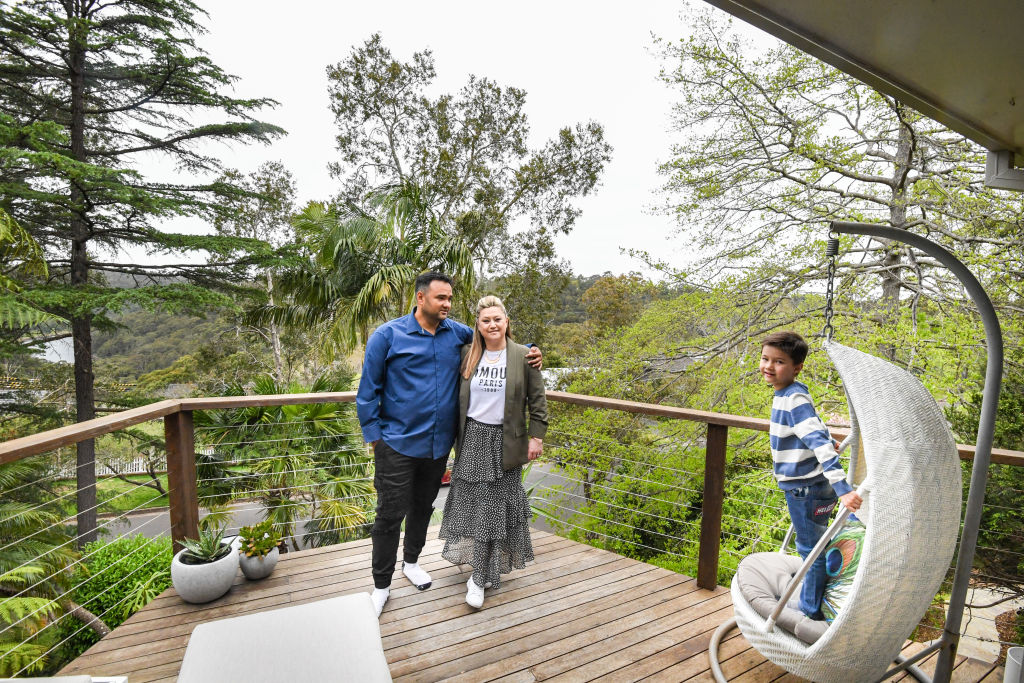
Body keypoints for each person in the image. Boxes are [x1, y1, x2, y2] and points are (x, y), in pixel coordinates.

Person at [356, 274, 541, 617]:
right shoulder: (388, 336)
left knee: (424, 507)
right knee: (389, 515)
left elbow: (495, 335)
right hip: (395, 444)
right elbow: (368, 392)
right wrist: (375, 439)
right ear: (420, 298)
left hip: (438, 446)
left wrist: (530, 350)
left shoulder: (455, 332)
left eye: (450, 299)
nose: (447, 304)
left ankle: (411, 562)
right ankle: (381, 586)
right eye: (441, 298)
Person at [439, 295, 547, 609]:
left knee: (493, 508)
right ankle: (485, 567)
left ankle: (478, 577)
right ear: (479, 324)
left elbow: (538, 405)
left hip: (506, 442)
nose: (492, 325)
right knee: (475, 506)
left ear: (506, 321)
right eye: (486, 320)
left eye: (497, 319)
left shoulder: (524, 356)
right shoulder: (467, 354)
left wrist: (536, 438)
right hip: (472, 439)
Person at [759, 331, 863, 620]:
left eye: (779, 361)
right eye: (765, 358)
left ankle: (810, 609)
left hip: (805, 489)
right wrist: (831, 441)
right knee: (816, 541)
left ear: (796, 367)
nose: (769, 366)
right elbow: (815, 431)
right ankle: (815, 594)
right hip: (814, 485)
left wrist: (843, 489)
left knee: (810, 549)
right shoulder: (794, 393)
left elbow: (816, 440)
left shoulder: (792, 399)